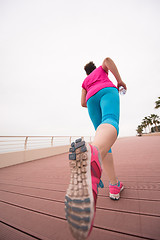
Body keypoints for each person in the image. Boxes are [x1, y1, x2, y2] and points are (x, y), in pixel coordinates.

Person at [65, 57, 127, 240]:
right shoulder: (101, 70)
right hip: (106, 91)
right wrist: (119, 81)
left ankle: (114, 185)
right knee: (110, 121)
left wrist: (90, 90)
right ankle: (92, 153)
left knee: (102, 140)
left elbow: (82, 103)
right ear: (97, 69)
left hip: (91, 98)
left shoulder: (85, 81)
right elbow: (107, 59)